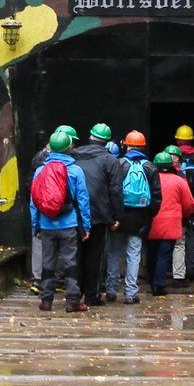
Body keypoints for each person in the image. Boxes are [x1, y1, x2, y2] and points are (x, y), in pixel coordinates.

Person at [28, 128, 92, 312]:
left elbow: (35, 201)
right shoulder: (75, 171)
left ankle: (46, 300)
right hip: (69, 224)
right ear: (68, 148)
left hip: (47, 224)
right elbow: (83, 200)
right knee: (70, 262)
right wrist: (85, 226)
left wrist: (36, 226)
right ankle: (72, 301)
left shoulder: (40, 170)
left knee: (48, 262)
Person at [71, 125, 122, 307]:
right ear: (107, 141)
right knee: (94, 256)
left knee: (76, 255)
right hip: (99, 215)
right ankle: (92, 296)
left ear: (91, 137)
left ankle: (75, 294)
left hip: (75, 214)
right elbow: (115, 190)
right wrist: (116, 217)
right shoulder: (110, 160)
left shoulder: (74, 155)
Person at [108, 130, 158, 303]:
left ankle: (111, 289)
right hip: (140, 217)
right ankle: (130, 294)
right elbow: (157, 196)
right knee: (134, 254)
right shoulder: (150, 167)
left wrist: (114, 215)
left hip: (120, 216)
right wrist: (150, 215)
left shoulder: (119, 164)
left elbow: (113, 191)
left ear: (127, 146)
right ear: (143, 147)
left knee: (114, 252)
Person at [25, 125, 75, 285]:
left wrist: (35, 220)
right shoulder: (69, 164)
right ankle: (59, 280)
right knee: (63, 247)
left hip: (41, 209)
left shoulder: (39, 158)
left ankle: (38, 280)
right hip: (64, 212)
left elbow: (32, 188)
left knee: (41, 246)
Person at [147, 148, 194, 297]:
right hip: (171, 224)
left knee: (151, 254)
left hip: (151, 223)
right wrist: (185, 216)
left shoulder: (150, 179)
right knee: (164, 255)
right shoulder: (179, 181)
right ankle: (159, 285)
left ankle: (151, 281)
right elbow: (189, 203)